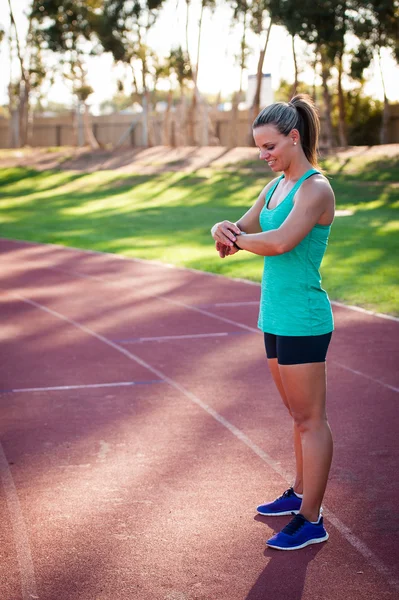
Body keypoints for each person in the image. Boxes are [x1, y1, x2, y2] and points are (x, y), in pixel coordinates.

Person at [211, 94, 335, 551]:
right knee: (296, 416)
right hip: (275, 316)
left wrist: (240, 241)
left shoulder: (315, 188)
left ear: (294, 137)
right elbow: (243, 227)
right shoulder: (275, 185)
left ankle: (312, 518)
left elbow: (280, 241)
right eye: (258, 148)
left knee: (311, 419)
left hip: (304, 317)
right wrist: (221, 230)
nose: (263, 156)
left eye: (269, 146)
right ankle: (300, 493)